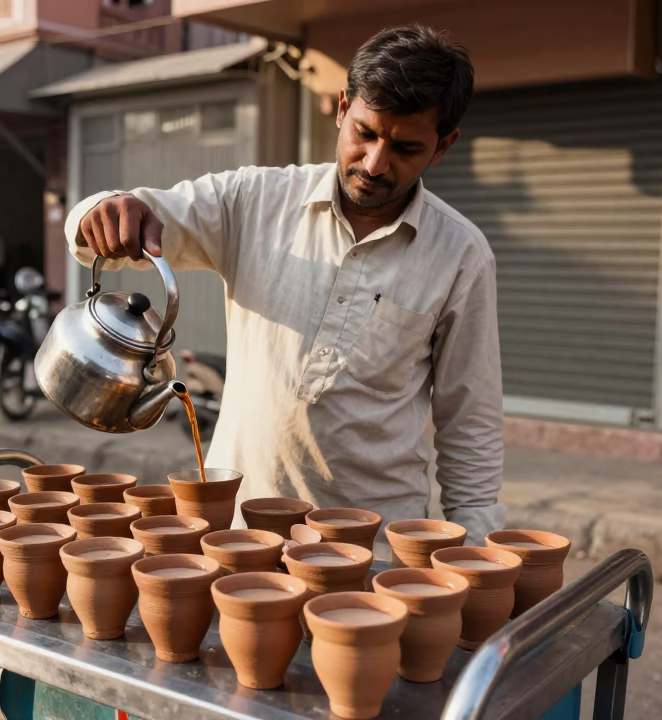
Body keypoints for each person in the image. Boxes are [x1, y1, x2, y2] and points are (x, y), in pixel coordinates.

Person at [66, 25, 505, 540]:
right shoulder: (254, 201)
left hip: (374, 546)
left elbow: (470, 420)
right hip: (236, 532)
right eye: (364, 133)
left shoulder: (459, 252)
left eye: (406, 148)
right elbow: (119, 219)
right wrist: (103, 211)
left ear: (443, 145)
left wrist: (478, 557)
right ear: (342, 108)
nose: (375, 163)